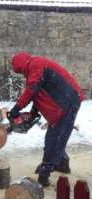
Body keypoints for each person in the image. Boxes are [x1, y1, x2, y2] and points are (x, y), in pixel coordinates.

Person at [8, 51, 84, 186]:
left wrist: (16, 109)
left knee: (55, 137)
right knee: (57, 135)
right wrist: (33, 112)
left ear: (21, 65)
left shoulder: (36, 64)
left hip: (68, 101)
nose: (21, 74)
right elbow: (38, 92)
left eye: (20, 71)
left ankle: (45, 172)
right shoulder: (35, 66)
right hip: (62, 102)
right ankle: (62, 164)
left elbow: (32, 90)